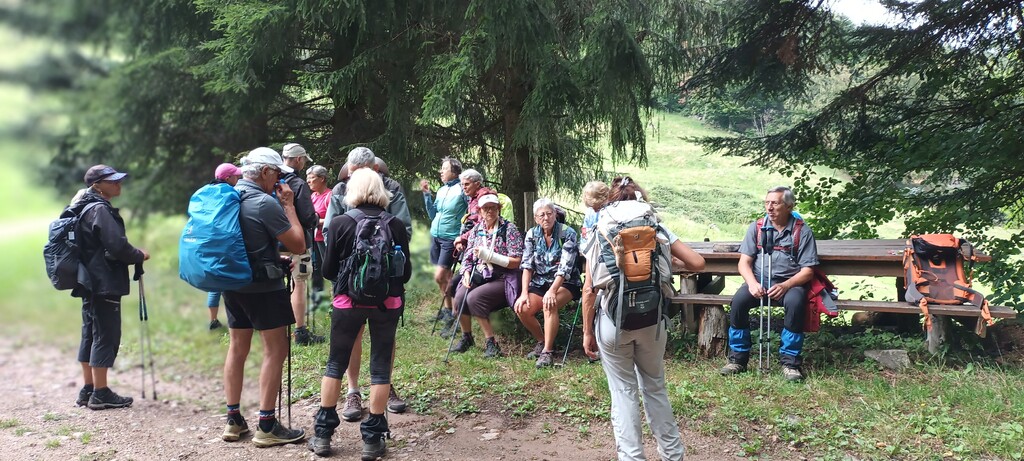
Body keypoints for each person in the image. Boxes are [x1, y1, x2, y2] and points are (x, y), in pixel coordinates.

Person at [581, 176, 705, 461]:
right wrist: (666, 261)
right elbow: (697, 263)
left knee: (623, 392)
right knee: (655, 387)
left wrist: (587, 332)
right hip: (652, 319)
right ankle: (673, 455)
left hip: (613, 322)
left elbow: (589, 289)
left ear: (611, 199)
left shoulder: (601, 226)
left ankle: (632, 457)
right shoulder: (654, 225)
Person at [308, 168, 412, 458]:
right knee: (380, 367)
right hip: (387, 303)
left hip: (347, 303)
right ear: (382, 191)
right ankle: (372, 440)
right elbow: (405, 273)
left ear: (352, 191)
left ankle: (323, 435)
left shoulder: (340, 223)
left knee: (335, 364)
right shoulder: (395, 224)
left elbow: (328, 270)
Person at [220, 147, 306, 447]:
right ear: (266, 172)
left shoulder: (230, 196)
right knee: (275, 349)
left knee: (237, 347)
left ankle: (233, 420)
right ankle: (266, 425)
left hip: (233, 283)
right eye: (277, 174)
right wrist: (289, 206)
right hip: (263, 289)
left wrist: (269, 257)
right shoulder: (264, 202)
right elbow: (298, 244)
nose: (280, 180)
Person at [324, 147, 411, 423]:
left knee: (337, 360)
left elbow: (328, 258)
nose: (352, 177)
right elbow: (406, 267)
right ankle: (357, 394)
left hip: (356, 291)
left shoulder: (392, 188)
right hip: (379, 291)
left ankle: (327, 427)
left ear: (373, 170)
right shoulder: (340, 190)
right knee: (366, 344)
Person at [719, 186, 819, 382]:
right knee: (738, 302)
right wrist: (752, 284)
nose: (769, 208)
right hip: (759, 281)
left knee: (795, 304)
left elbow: (808, 271)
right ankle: (737, 359)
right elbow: (744, 262)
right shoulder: (757, 228)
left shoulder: (802, 231)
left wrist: (786, 286)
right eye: (767, 203)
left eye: (775, 203)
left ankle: (790, 363)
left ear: (789, 206)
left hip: (790, 283)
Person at [71, 164, 150, 410]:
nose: (118, 184)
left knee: (90, 333)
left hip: (88, 280)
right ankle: (101, 393)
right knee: (106, 334)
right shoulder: (100, 209)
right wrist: (139, 255)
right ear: (97, 185)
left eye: (118, 179)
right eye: (112, 180)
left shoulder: (84, 206)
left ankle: (88, 388)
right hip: (103, 281)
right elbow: (117, 245)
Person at [448, 194, 524, 358]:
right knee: (460, 297)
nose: (489, 211)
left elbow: (516, 262)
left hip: (503, 276)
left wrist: (490, 256)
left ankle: (491, 343)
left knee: (474, 298)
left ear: (499, 209)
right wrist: (466, 273)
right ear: (480, 211)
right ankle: (467, 337)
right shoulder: (477, 230)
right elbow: (468, 256)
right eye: (485, 208)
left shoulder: (509, 229)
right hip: (481, 273)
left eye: (493, 207)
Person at [513, 198, 582, 368]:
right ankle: (542, 341)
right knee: (521, 308)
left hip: (566, 282)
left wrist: (552, 291)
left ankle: (547, 352)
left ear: (555, 214)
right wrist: (524, 293)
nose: (546, 218)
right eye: (542, 215)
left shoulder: (567, 233)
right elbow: (527, 266)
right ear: (536, 218)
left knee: (549, 304)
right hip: (540, 281)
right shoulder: (532, 235)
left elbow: (565, 268)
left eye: (549, 213)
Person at [280, 143, 324, 345]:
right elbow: (307, 217)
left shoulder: (271, 179)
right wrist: (316, 219)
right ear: (298, 159)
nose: (304, 163)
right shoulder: (298, 184)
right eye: (304, 160)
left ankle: (278, 329)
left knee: (277, 285)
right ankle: (300, 332)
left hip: (273, 241)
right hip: (297, 242)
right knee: (299, 283)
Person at [420, 157, 467, 333]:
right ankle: (448, 310)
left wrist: (463, 234)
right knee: (444, 277)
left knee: (440, 276)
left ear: (454, 172)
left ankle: (454, 313)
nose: (441, 171)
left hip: (450, 238)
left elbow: (470, 213)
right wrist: (427, 195)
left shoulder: (462, 190)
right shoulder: (441, 190)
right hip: (436, 236)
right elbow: (433, 214)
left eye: (444, 168)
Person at [204, 163, 243, 331]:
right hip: (225, 242)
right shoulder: (229, 192)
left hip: (209, 241)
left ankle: (213, 320)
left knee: (215, 283)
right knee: (233, 281)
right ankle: (240, 318)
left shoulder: (207, 191)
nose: (238, 178)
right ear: (228, 178)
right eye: (236, 176)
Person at [306, 164, 332, 303]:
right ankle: (318, 299)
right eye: (307, 178)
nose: (308, 181)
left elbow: (333, 219)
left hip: (324, 238)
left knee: (327, 267)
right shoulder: (313, 196)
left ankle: (334, 296)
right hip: (313, 238)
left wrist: (316, 221)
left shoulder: (330, 196)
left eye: (312, 178)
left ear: (322, 179)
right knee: (315, 268)